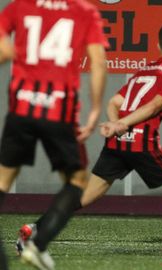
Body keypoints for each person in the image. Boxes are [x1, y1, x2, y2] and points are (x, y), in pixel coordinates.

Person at [16, 23, 162, 261]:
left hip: (118, 145)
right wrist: (122, 125)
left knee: (86, 196)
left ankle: (34, 230)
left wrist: (117, 124)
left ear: (159, 45)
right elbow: (153, 106)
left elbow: (114, 103)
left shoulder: (143, 72)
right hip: (143, 145)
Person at [0, 0, 108, 269]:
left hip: (22, 106)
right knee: (77, 181)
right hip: (59, 110)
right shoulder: (84, 11)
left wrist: (13, 54)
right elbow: (98, 63)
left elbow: (3, 50)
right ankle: (39, 243)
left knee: (2, 181)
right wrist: (95, 110)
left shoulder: (18, 6)